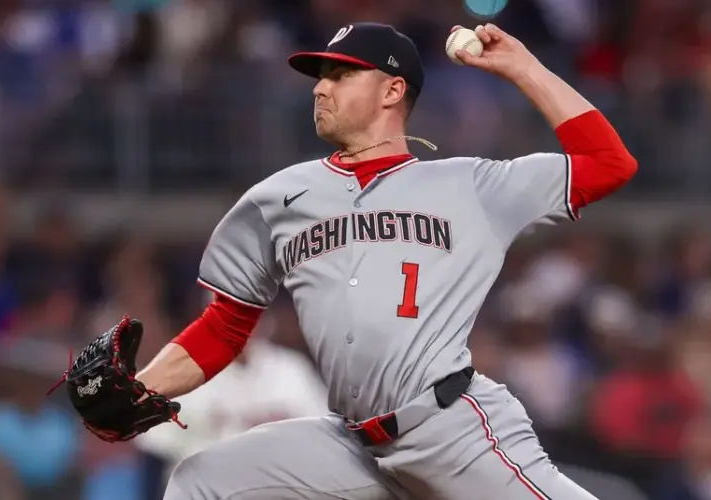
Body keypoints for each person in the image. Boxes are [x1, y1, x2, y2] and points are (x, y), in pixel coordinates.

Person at [136, 22, 637, 499]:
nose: (320, 89)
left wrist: (523, 68)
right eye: (320, 77)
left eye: (341, 74)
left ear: (392, 91)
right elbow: (224, 326)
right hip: (352, 444)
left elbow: (608, 163)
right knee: (200, 481)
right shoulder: (278, 199)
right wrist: (140, 392)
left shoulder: (472, 186)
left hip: (452, 434)